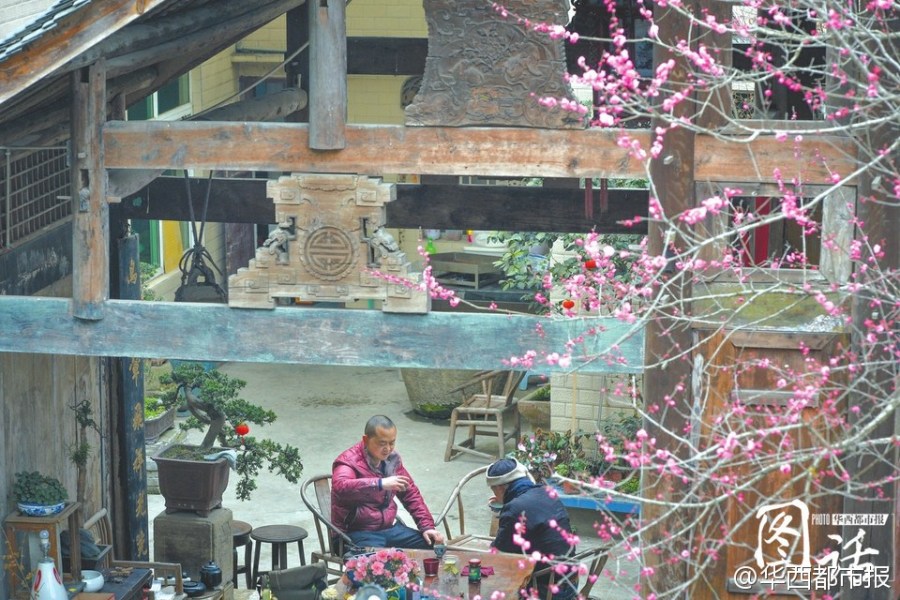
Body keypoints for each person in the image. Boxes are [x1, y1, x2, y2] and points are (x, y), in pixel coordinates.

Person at [332, 415, 445, 550]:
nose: (388, 448)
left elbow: (411, 494)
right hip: (354, 534)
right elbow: (340, 486)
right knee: (379, 562)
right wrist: (379, 484)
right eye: (382, 443)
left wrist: (427, 526)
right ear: (366, 440)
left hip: (388, 530)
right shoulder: (348, 461)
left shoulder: (392, 460)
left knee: (433, 547)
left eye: (392, 443)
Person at [487, 458, 577, 600]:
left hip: (545, 590)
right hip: (571, 582)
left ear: (499, 488)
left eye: (493, 490)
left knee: (490, 578)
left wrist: (505, 507)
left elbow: (499, 553)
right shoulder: (546, 492)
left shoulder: (514, 508)